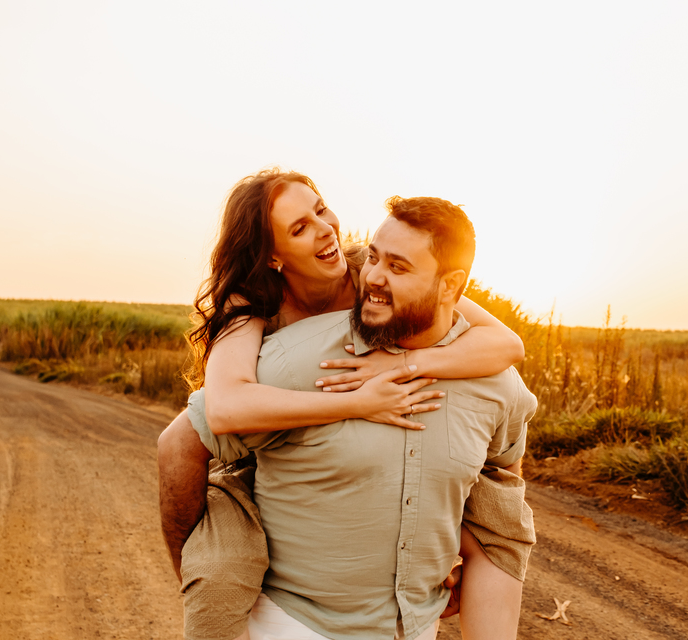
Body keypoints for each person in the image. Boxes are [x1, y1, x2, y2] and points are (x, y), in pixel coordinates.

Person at [157, 173, 534, 640]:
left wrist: (405, 365)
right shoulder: (253, 302)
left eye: (320, 208)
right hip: (263, 445)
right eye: (299, 228)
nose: (324, 228)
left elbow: (505, 343)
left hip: (344, 455)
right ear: (271, 255)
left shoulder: (361, 268)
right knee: (218, 570)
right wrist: (355, 402)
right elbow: (224, 409)